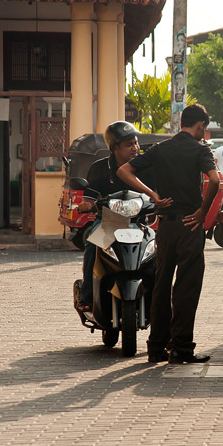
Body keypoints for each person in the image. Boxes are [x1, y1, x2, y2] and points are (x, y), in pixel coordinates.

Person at [118, 104, 220, 365]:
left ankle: (156, 348)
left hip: (164, 226)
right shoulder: (200, 149)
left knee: (161, 286)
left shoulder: (160, 149)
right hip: (190, 226)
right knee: (186, 287)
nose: (203, 134)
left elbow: (124, 171)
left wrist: (153, 195)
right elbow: (215, 180)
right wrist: (202, 212)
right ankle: (182, 349)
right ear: (199, 126)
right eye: (203, 129)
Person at [75, 121, 142, 313]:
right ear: (114, 148)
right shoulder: (99, 168)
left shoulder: (145, 166)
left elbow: (156, 192)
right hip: (110, 222)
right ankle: (87, 295)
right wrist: (87, 204)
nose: (135, 148)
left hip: (139, 222)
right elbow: (88, 198)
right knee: (92, 245)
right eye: (129, 145)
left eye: (136, 143)